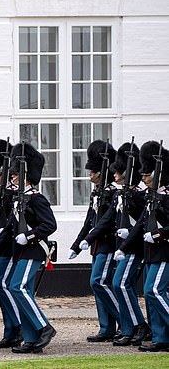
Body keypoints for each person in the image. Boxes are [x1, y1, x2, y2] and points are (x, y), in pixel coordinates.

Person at [7, 142, 57, 354]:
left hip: (34, 249)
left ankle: (44, 327)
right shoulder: (19, 199)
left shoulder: (37, 199)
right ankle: (30, 338)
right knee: (20, 290)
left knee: (17, 287)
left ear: (24, 177)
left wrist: (28, 236)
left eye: (15, 175)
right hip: (22, 251)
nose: (12, 178)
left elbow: (50, 225)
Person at [99, 141, 150, 346]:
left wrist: (129, 234)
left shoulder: (137, 195)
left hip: (134, 247)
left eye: (118, 172)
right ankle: (130, 327)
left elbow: (142, 222)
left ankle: (139, 325)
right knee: (118, 284)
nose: (115, 175)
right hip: (123, 247)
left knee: (120, 283)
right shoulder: (123, 194)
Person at [68, 140, 120, 343]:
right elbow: (89, 221)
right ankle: (106, 327)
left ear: (101, 171)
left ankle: (125, 322)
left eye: (93, 171)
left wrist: (89, 239)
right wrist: (76, 245)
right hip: (96, 245)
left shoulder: (113, 192)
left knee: (98, 281)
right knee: (99, 286)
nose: (90, 175)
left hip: (107, 243)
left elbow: (106, 222)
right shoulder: (97, 192)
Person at [122, 140, 169, 352]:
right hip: (151, 252)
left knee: (154, 290)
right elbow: (141, 223)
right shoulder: (152, 194)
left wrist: (160, 233)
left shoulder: (166, 194)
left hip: (164, 250)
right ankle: (161, 337)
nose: (144, 177)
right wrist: (123, 247)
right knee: (150, 295)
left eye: (147, 174)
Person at [0, 139, 23, 349]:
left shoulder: (11, 193)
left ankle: (17, 326)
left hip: (10, 246)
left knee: (1, 284)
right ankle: (11, 329)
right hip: (0, 246)